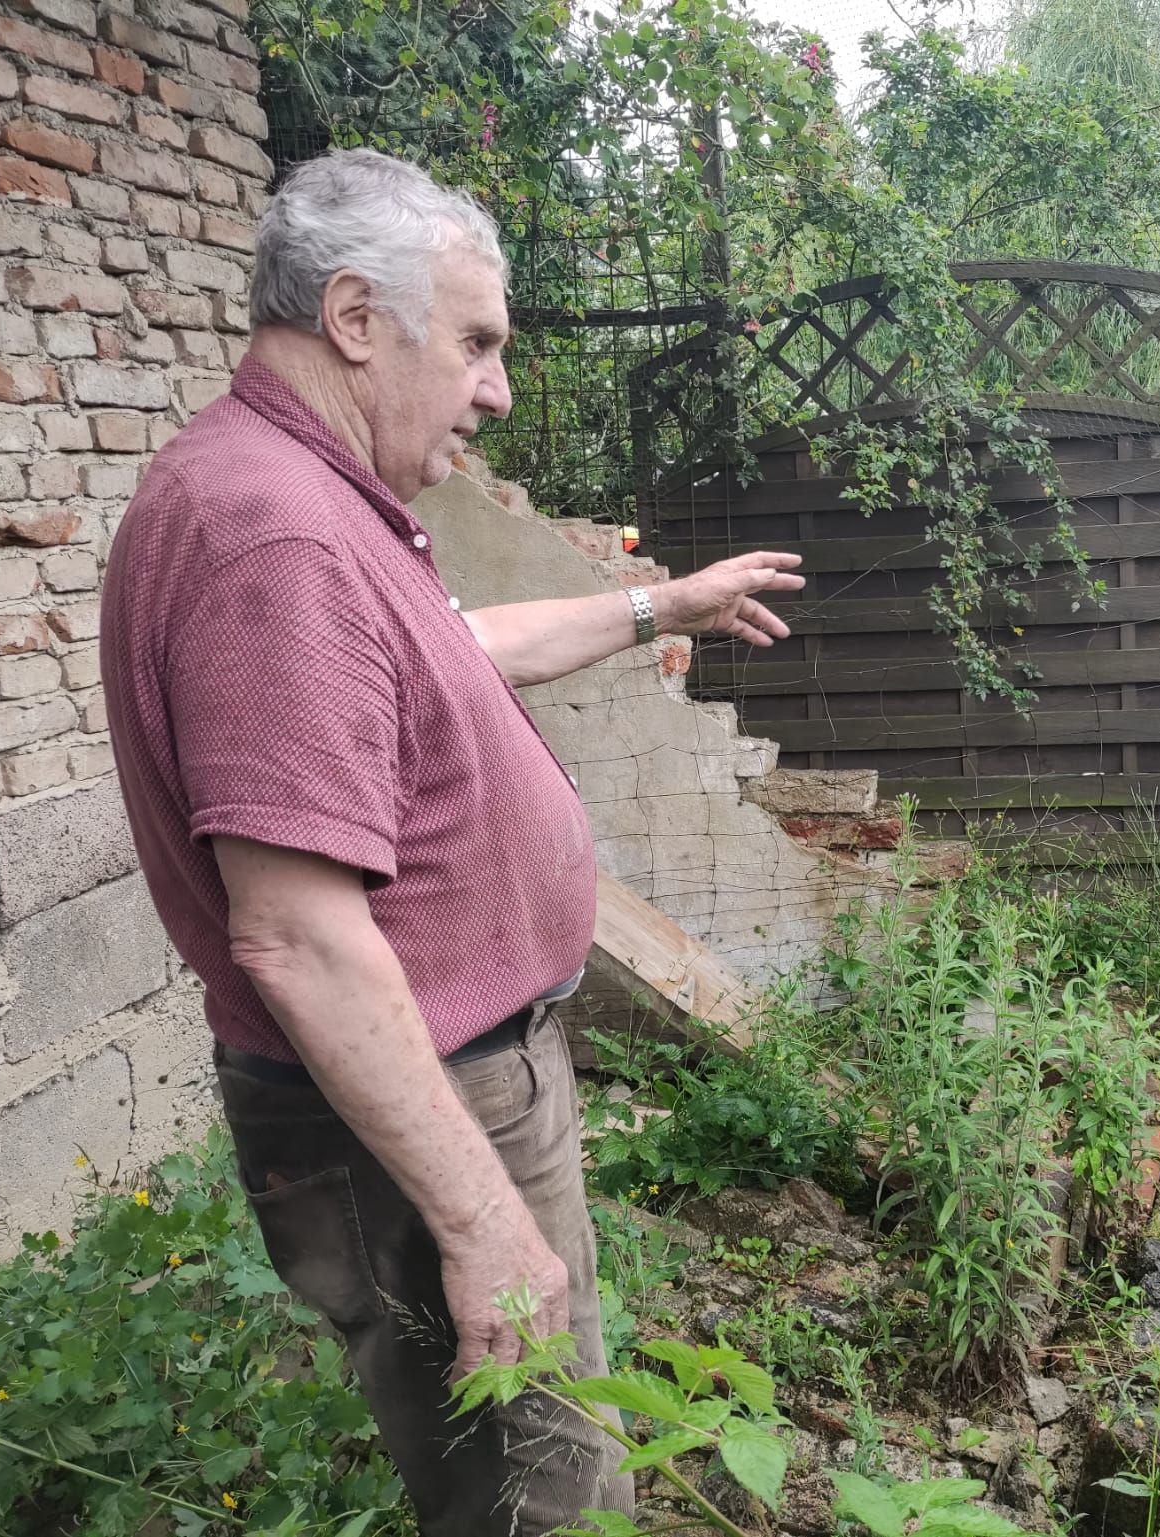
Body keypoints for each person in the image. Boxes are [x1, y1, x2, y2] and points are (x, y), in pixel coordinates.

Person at [99, 147, 804, 1535]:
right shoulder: (276, 539)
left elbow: (458, 651)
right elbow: (296, 933)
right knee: (537, 1501)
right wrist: (483, 1224)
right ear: (357, 320)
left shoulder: (308, 502)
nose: (496, 385)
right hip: (426, 1103)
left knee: (556, 1461)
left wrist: (664, 606)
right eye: (478, 342)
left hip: (464, 1081)